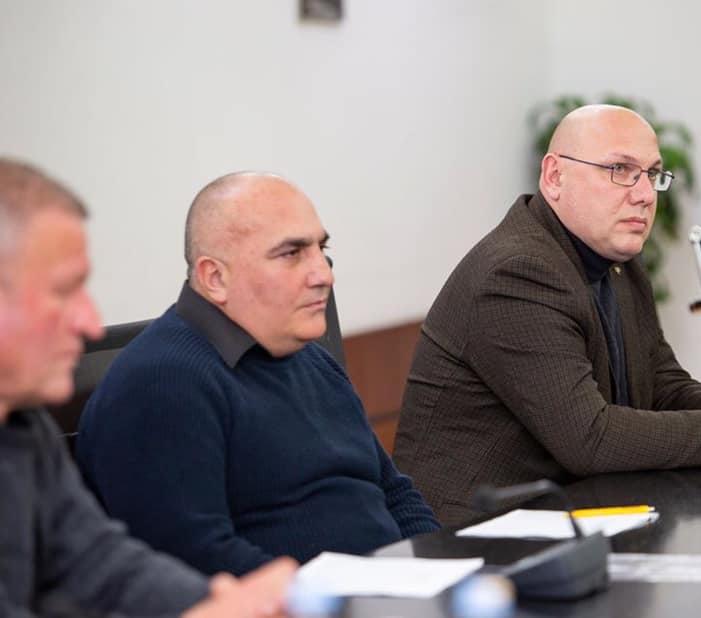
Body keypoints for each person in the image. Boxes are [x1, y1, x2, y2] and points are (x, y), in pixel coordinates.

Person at [392, 105, 701, 525]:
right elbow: (589, 437)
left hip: (573, 515)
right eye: (620, 170)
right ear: (555, 176)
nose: (645, 195)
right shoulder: (516, 272)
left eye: (652, 174)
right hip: (472, 536)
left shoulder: (619, 262)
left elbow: (661, 383)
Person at [77, 171, 439, 576]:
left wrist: (441, 570)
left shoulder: (310, 359)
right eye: (291, 253)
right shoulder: (160, 384)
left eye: (321, 249)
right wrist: (338, 598)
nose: (324, 274)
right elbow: (194, 561)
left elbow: (395, 494)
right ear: (215, 278)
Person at [0, 158, 295, 617]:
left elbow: (103, 565)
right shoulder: (162, 380)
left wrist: (222, 603)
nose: (90, 322)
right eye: (63, 291)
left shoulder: (23, 426)